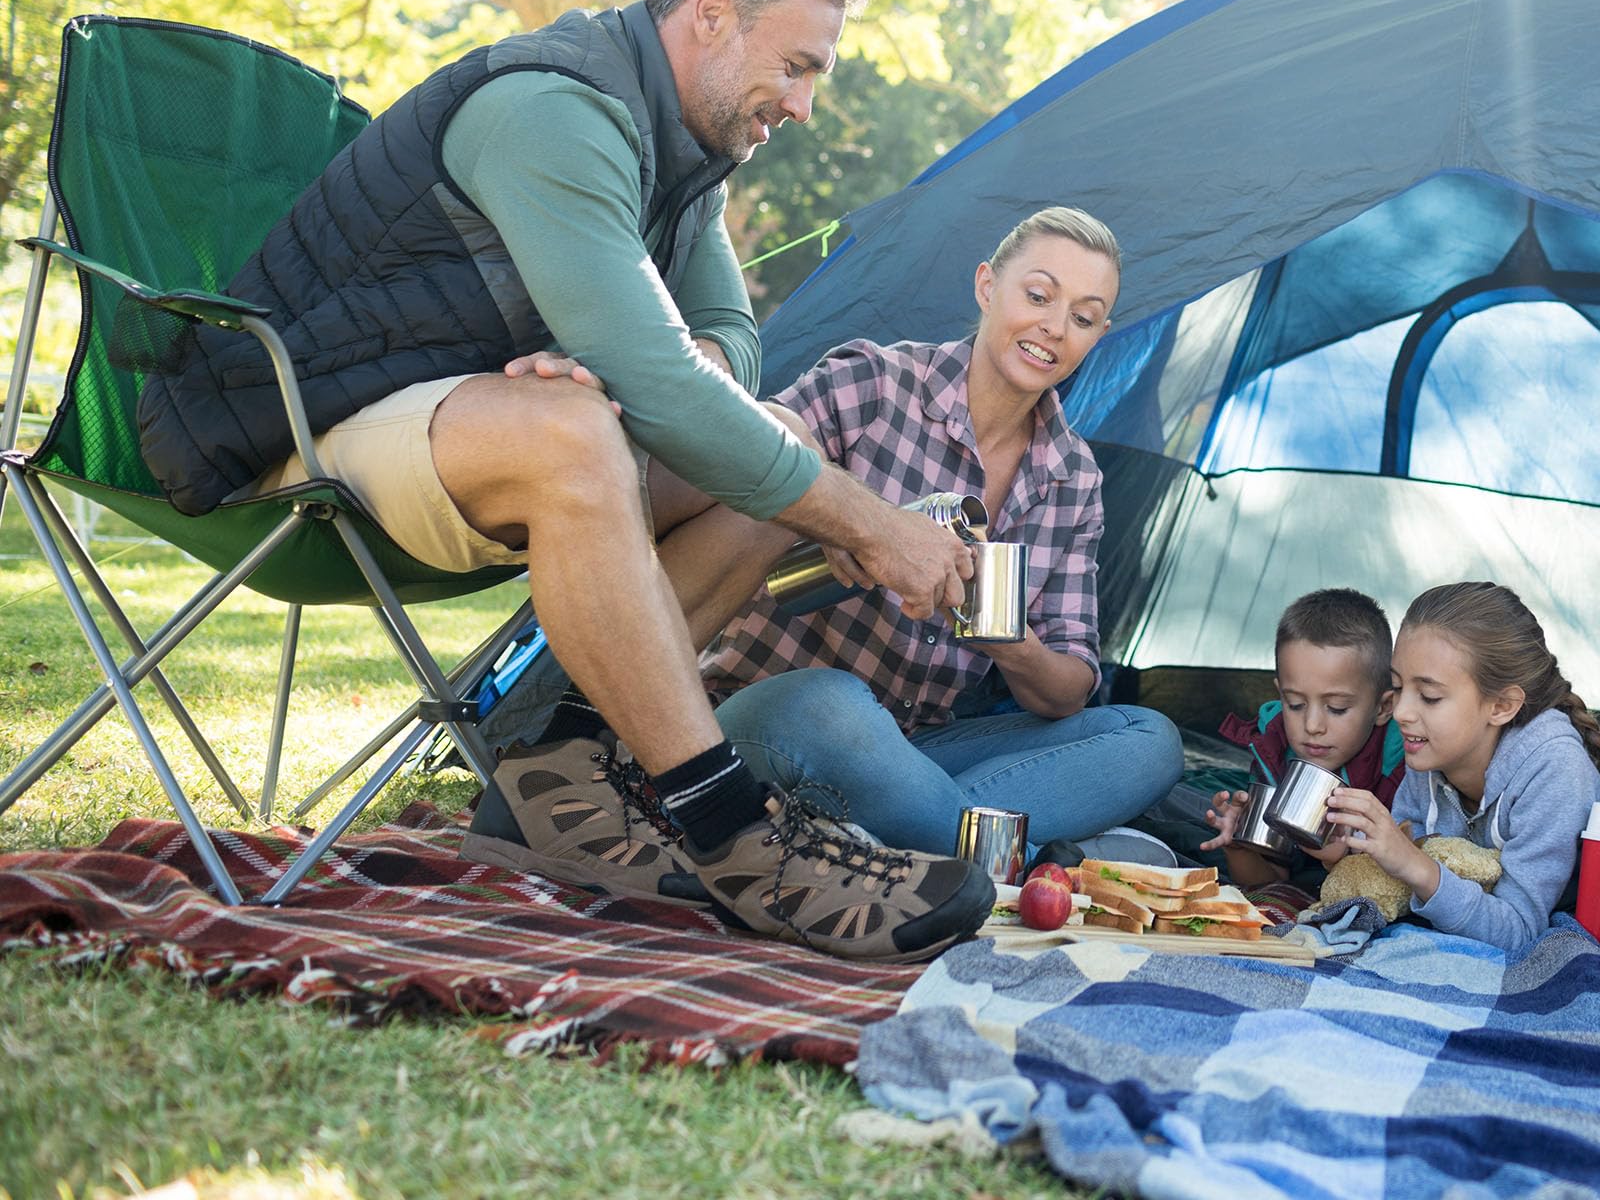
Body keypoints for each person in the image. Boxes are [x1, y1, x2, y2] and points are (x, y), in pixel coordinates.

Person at [135, 0, 996, 962]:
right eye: (800, 65)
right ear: (713, 15)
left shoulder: (683, 152)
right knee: (581, 435)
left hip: (453, 420)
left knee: (767, 438)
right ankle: (730, 831)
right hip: (298, 430)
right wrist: (870, 524)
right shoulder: (555, 109)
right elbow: (672, 388)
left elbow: (726, 342)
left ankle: (567, 761)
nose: (805, 104)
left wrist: (635, 365)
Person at [656, 206, 1184, 858]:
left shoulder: (1072, 479)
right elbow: (740, 457)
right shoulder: (877, 384)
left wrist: (1007, 637)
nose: (1053, 327)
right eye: (1038, 295)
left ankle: (903, 838)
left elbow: (1070, 687)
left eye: (1081, 317)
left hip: (918, 749)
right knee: (833, 702)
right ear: (988, 285)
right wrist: (839, 523)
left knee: (1144, 736)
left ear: (1098, 336)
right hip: (774, 713)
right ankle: (996, 852)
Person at [1325, 581, 1600, 951]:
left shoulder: (1556, 770)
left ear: (1501, 706)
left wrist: (1415, 866)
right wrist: (1348, 854)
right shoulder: (1427, 754)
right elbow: (1398, 883)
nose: (1403, 713)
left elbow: (1519, 929)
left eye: (1430, 696)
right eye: (1398, 686)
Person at [1203, 588, 1401, 886]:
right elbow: (1268, 882)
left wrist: (1338, 861)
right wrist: (1238, 845)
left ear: (1383, 707)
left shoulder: (1399, 769)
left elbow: (1400, 889)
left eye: (1336, 708)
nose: (1312, 725)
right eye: (1295, 704)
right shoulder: (1274, 750)